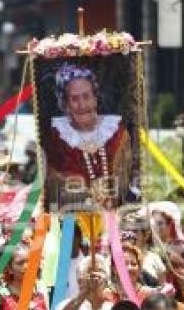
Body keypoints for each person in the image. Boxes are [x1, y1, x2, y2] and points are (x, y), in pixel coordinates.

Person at [42, 63, 133, 209]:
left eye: (86, 96)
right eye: (74, 99)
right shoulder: (56, 137)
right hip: (70, 221)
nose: (82, 105)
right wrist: (87, 197)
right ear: (65, 104)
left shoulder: (117, 132)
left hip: (114, 217)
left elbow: (129, 178)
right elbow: (53, 187)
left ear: (96, 98)